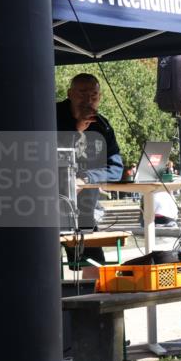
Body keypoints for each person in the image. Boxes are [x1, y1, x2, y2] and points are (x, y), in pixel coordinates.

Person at [56, 73, 123, 264]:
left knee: (94, 268)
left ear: (99, 97)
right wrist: (76, 130)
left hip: (84, 212)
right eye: (82, 93)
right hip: (47, 208)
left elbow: (116, 169)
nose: (88, 99)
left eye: (93, 94)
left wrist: (85, 179)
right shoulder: (50, 115)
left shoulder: (103, 126)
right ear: (70, 94)